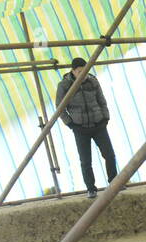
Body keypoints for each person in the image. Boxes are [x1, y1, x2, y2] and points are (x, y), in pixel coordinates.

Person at [55, 57, 118, 200]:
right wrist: (71, 124)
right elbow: (60, 107)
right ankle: (91, 189)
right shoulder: (64, 85)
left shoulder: (93, 81)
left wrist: (105, 118)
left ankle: (114, 183)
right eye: (79, 71)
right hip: (80, 128)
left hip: (98, 124)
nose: (82, 74)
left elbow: (102, 100)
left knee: (109, 154)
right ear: (73, 71)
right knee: (85, 160)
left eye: (85, 71)